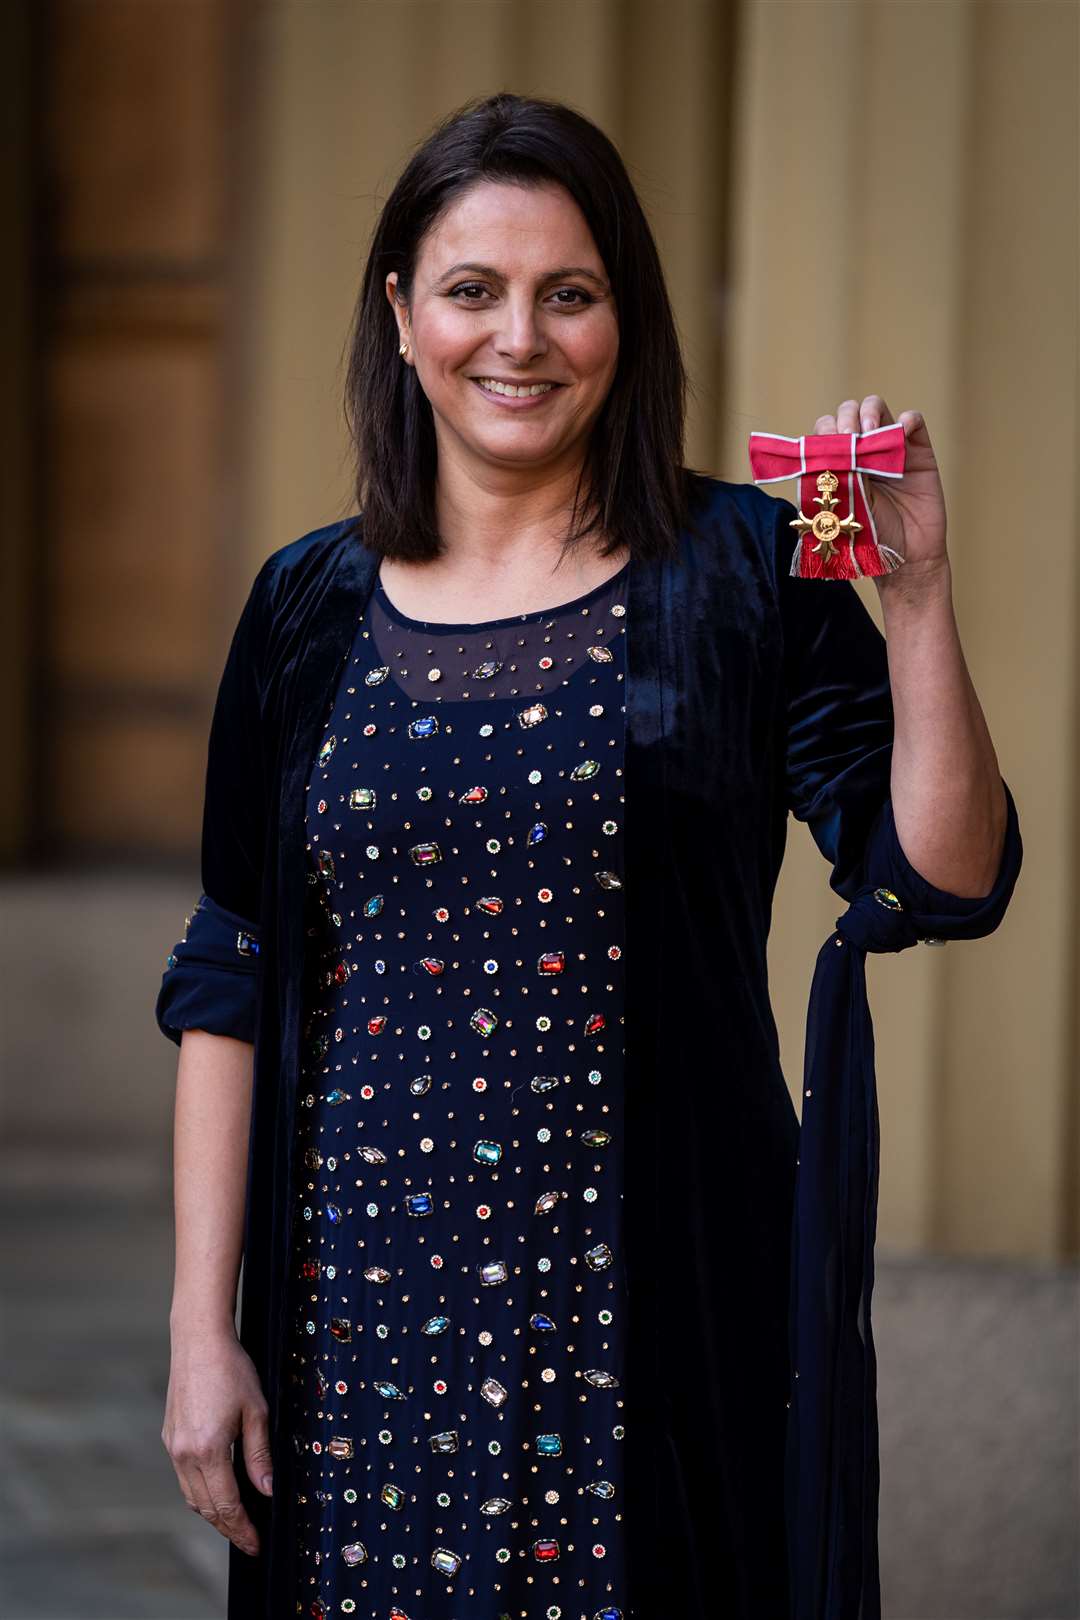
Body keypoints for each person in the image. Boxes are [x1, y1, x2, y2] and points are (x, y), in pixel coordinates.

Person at [155, 92, 1022, 1620]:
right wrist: (198, 1331)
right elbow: (229, 974)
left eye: (571, 293)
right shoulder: (302, 608)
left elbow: (938, 878)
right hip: (358, 1328)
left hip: (653, 1330)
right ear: (402, 316)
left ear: (627, 316)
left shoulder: (750, 568)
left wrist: (920, 597)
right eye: (473, 291)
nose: (521, 340)